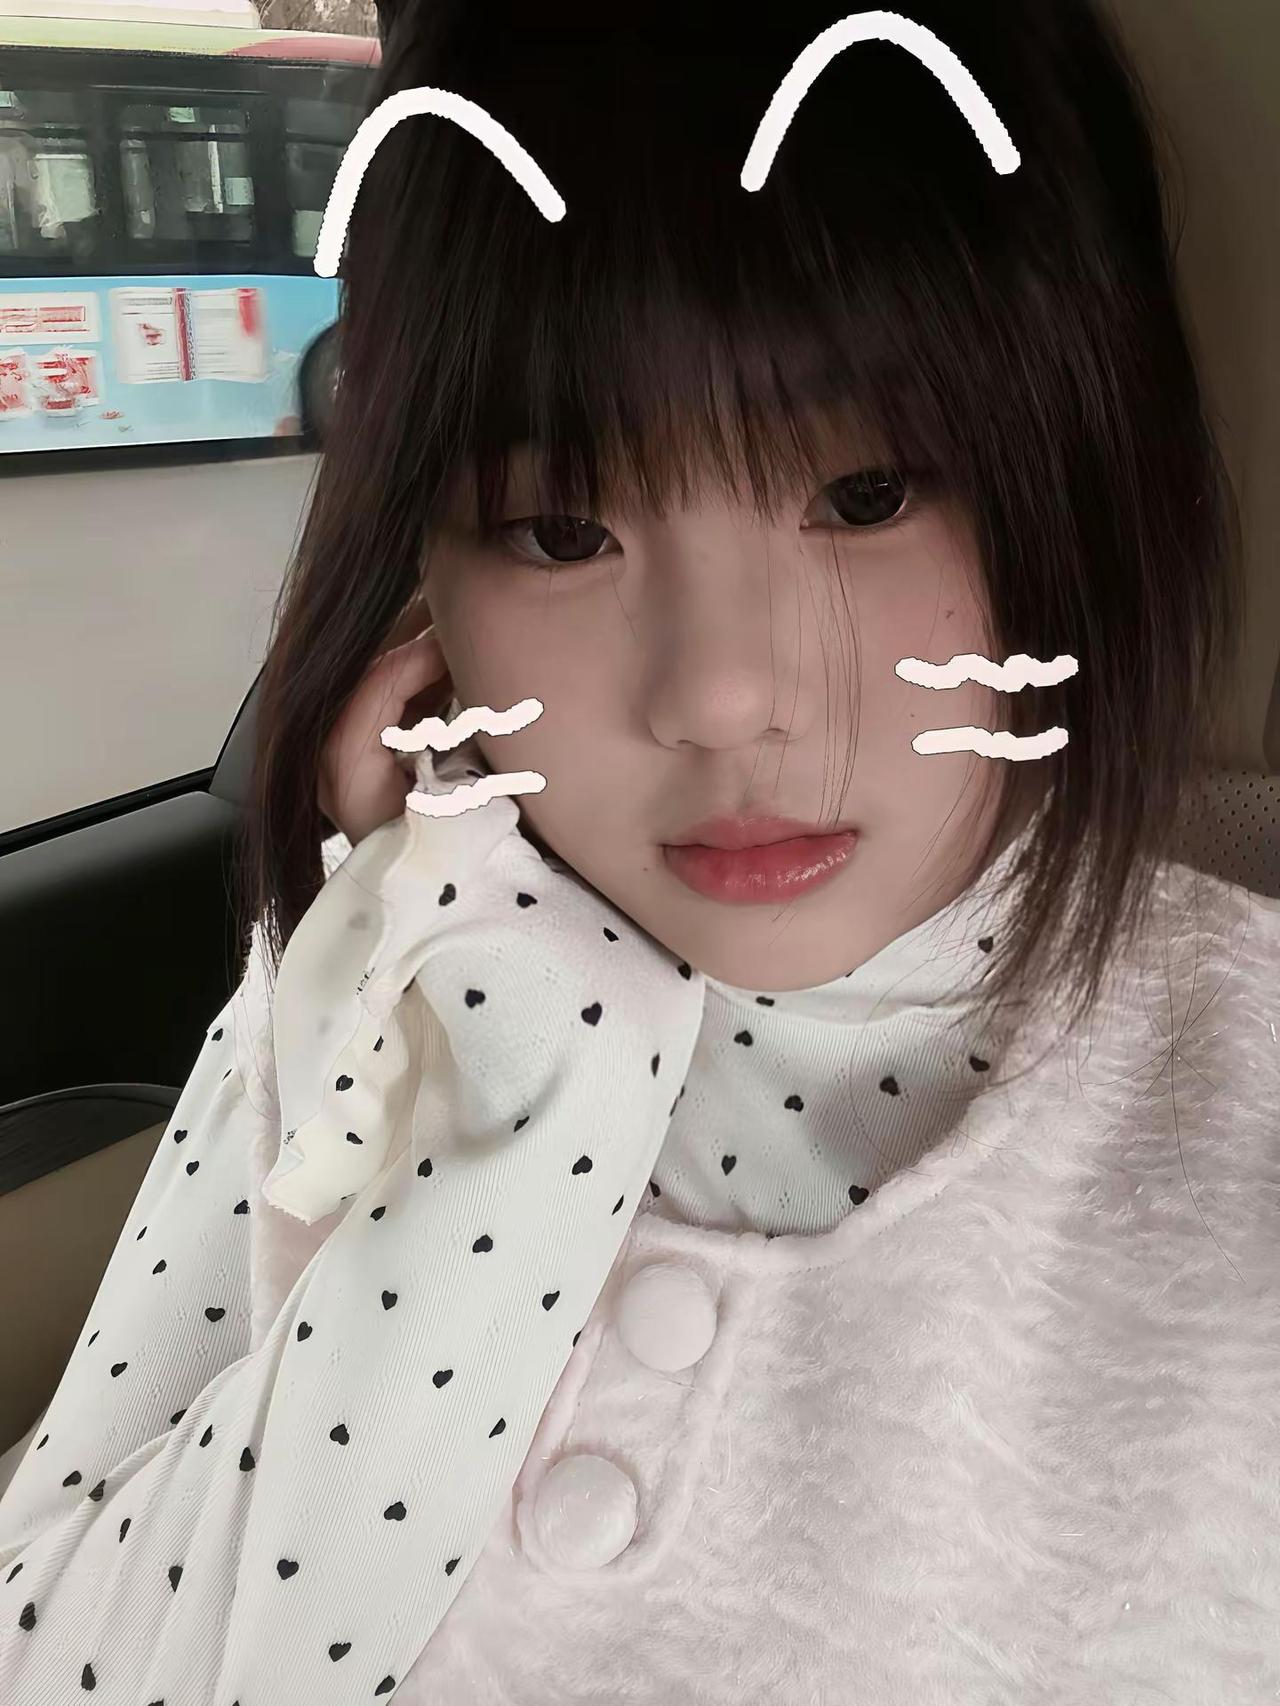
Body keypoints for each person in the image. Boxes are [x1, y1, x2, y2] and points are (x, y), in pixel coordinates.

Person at [3, 2, 1279, 1701]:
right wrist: (529, 1036)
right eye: (560, 529)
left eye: (870, 494)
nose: (720, 695)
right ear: (427, 582)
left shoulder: (1242, 1096)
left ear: (1087, 481)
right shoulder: (372, 981)